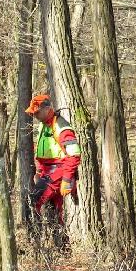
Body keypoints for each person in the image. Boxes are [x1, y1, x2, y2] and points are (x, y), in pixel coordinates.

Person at [25, 94, 81, 246]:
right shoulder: (44, 125)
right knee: (54, 212)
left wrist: (67, 179)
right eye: (33, 112)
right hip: (48, 172)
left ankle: (34, 246)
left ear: (47, 108)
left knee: (32, 203)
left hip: (59, 172)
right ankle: (62, 248)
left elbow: (74, 154)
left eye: (37, 112)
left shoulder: (61, 126)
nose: (34, 115)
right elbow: (46, 152)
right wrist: (39, 172)